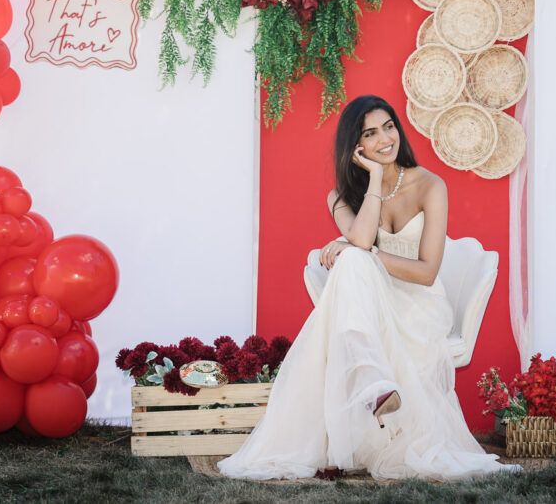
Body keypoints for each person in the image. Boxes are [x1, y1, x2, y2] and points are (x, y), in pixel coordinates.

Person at [218, 95, 518, 481]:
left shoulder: (430, 185)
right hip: (371, 301)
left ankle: (368, 382)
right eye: (371, 133)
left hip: (418, 304)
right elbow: (361, 240)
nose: (385, 139)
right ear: (356, 146)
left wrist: (363, 253)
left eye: (389, 126)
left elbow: (427, 272)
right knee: (355, 259)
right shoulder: (340, 196)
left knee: (356, 258)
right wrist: (375, 180)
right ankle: (375, 385)